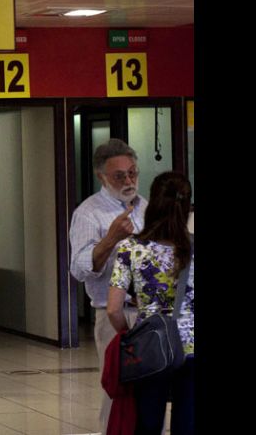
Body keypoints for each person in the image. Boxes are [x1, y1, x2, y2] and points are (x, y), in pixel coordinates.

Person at [106, 171, 194, 435]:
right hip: (192, 350)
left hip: (149, 348)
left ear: (153, 203)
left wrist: (129, 335)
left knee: (147, 424)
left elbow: (113, 309)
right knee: (188, 424)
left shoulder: (130, 248)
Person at [68, 138, 147, 432]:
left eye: (132, 173)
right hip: (113, 315)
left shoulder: (145, 207)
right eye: (119, 176)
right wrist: (111, 238)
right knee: (118, 391)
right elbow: (78, 269)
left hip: (149, 314)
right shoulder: (89, 213)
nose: (128, 181)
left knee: (150, 389)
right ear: (102, 177)